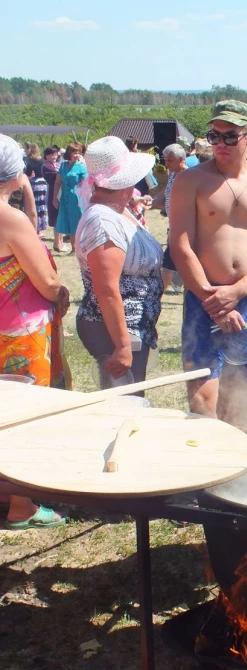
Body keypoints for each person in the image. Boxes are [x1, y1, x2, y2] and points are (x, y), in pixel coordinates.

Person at [169, 100, 247, 435]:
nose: (219, 144)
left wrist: (239, 290)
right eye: (213, 136)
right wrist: (212, 299)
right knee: (203, 397)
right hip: (204, 300)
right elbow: (180, 245)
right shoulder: (190, 181)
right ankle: (208, 474)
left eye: (229, 137)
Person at [0, 135, 69, 529]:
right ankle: (22, 504)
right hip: (19, 333)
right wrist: (63, 292)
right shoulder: (9, 219)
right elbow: (45, 283)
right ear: (14, 174)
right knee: (21, 415)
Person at [75, 136, 163, 389]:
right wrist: (123, 346)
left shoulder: (115, 209)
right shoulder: (103, 220)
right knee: (123, 404)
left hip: (130, 326)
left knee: (131, 398)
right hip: (114, 330)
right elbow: (106, 289)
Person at [151, 143, 187, 292]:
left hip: (185, 229)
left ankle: (158, 295)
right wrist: (150, 201)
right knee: (171, 263)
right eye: (165, 160)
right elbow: (165, 194)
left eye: (169, 161)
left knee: (168, 264)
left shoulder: (189, 176)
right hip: (174, 227)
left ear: (181, 159)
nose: (166, 164)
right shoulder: (173, 174)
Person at [53, 141, 87, 253]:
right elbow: (57, 182)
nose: (77, 155)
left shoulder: (81, 167)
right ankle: (74, 248)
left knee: (75, 222)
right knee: (66, 222)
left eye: (78, 153)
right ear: (69, 153)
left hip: (76, 199)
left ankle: (78, 248)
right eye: (74, 152)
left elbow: (85, 185)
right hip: (65, 198)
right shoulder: (62, 166)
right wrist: (54, 197)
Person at [42, 146, 63, 250]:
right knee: (56, 218)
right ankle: (56, 243)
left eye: (55, 153)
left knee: (61, 217)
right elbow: (56, 176)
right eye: (51, 154)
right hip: (52, 193)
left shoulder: (59, 164)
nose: (54, 155)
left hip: (62, 193)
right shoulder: (46, 166)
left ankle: (61, 242)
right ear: (46, 156)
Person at [24, 143, 48, 235]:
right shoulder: (42, 161)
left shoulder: (26, 160)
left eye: (26, 149)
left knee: (31, 205)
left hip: (32, 183)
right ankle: (40, 227)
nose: (25, 151)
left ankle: (32, 225)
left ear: (30, 149)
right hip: (42, 184)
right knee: (41, 206)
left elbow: (25, 173)